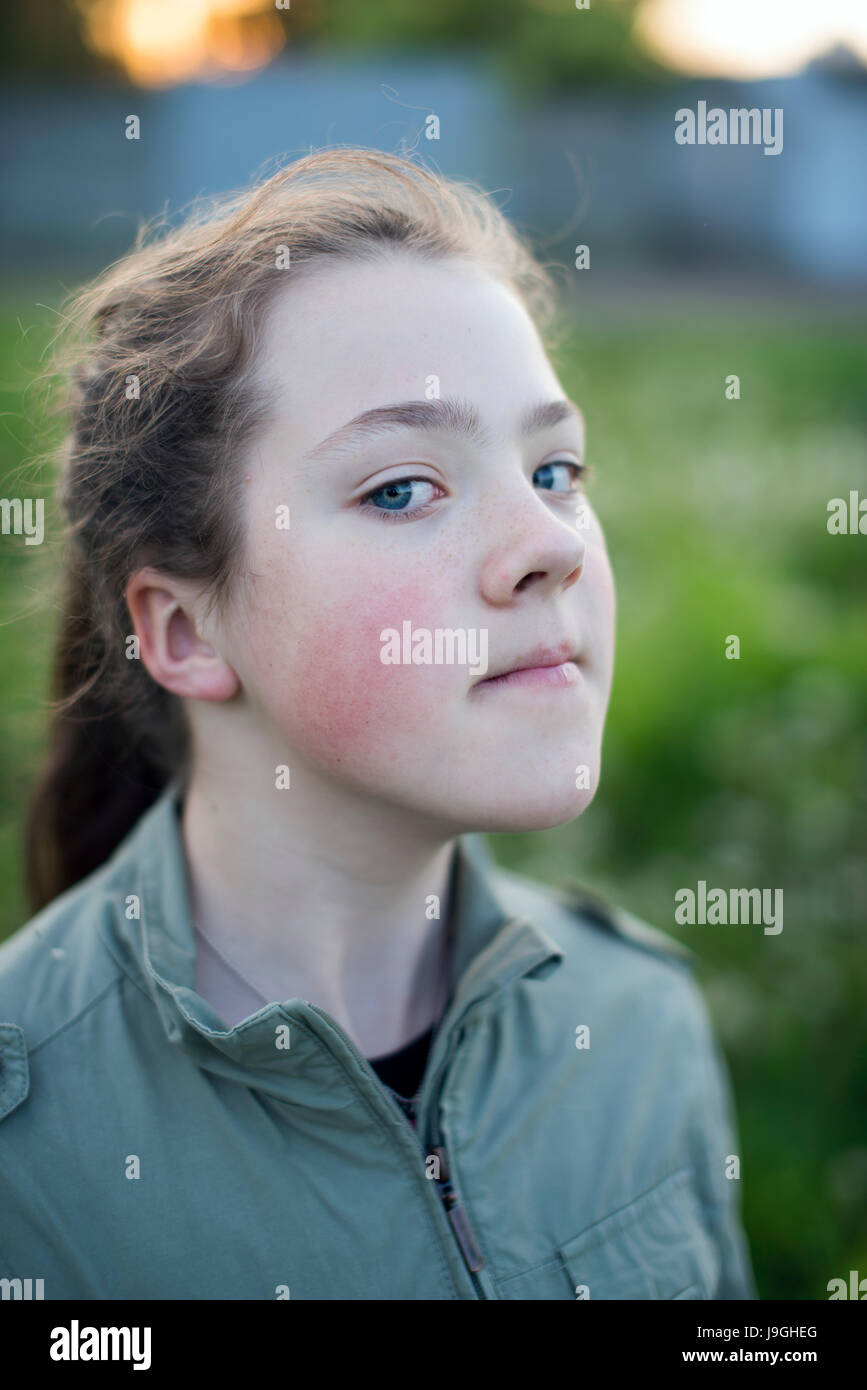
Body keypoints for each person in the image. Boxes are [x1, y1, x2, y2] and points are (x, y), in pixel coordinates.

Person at [0, 148, 756, 1300]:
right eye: (402, 488)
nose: (551, 543)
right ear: (188, 631)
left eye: (556, 468)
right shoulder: (28, 1141)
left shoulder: (639, 1025)